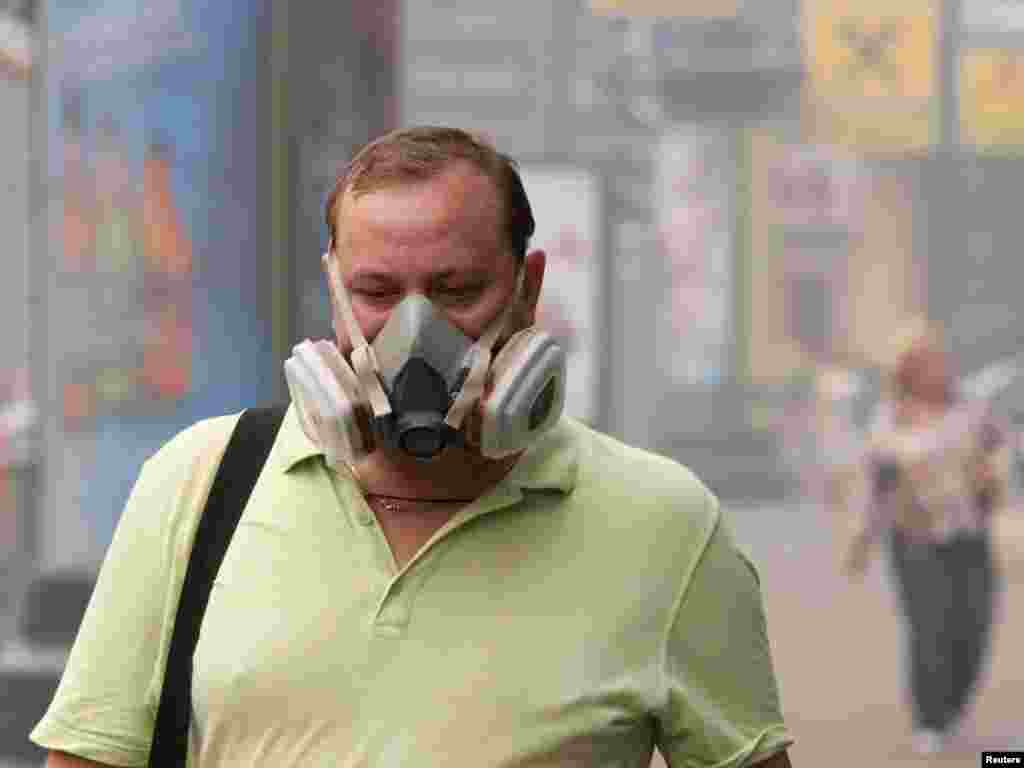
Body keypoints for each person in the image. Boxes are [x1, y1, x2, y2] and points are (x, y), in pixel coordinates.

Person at [31, 126, 794, 767]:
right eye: (376, 293)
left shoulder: (664, 525)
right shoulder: (198, 485)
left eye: (457, 291)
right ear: (332, 288)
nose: (414, 333)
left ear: (528, 287)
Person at [845, 321, 1010, 756]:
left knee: (973, 626)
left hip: (969, 534)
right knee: (931, 627)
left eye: (938, 358)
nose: (936, 367)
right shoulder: (889, 419)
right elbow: (876, 484)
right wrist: (861, 540)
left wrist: (994, 474)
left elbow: (999, 452)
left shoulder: (972, 410)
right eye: (923, 361)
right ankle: (929, 717)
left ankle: (952, 705)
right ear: (906, 369)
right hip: (914, 538)